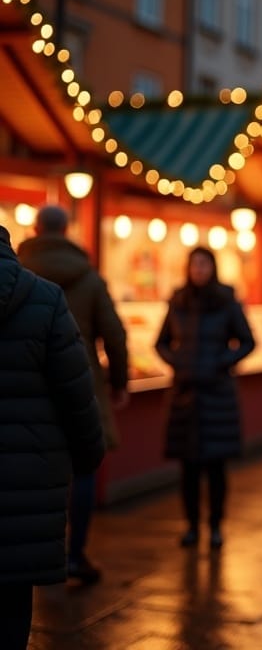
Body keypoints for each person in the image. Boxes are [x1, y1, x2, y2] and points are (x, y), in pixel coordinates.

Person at [0, 224, 104, 648]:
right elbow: (76, 393)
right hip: (25, 482)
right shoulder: (44, 298)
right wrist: (87, 456)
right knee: (10, 602)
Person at [18, 205, 130, 584]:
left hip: (26, 388)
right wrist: (119, 383)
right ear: (66, 229)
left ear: (35, 228)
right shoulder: (90, 279)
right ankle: (75, 554)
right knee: (82, 469)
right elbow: (114, 335)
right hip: (81, 382)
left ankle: (25, 559)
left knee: (25, 468)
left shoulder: (18, 272)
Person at [155, 246, 255, 549]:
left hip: (217, 394)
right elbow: (160, 342)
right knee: (187, 467)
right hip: (185, 395)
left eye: (204, 264)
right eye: (194, 264)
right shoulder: (178, 303)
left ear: (212, 268)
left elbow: (248, 341)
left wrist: (223, 361)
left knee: (215, 467)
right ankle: (191, 526)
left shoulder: (226, 302)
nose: (198, 270)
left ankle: (215, 525)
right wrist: (178, 362)